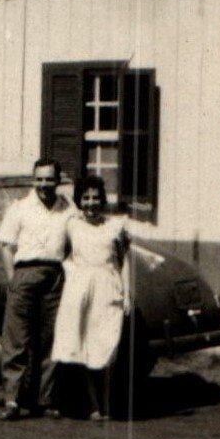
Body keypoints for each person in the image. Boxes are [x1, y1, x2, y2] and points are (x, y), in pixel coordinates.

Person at [50, 174, 133, 421]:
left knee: (106, 346)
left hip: (108, 289)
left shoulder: (115, 227)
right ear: (79, 201)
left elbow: (123, 262)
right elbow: (61, 254)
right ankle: (94, 406)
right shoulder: (71, 225)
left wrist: (127, 294)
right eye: (85, 198)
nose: (91, 203)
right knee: (84, 346)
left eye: (95, 198)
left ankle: (108, 403)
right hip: (80, 290)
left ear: (102, 200)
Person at [0, 157, 71, 421]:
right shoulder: (20, 208)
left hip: (55, 276)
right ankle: (12, 400)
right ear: (33, 180)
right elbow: (6, 245)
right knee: (17, 339)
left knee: (51, 340)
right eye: (39, 179)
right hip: (24, 273)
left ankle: (46, 400)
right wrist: (12, 278)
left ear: (58, 181)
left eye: (49, 179)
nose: (44, 184)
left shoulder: (67, 209)